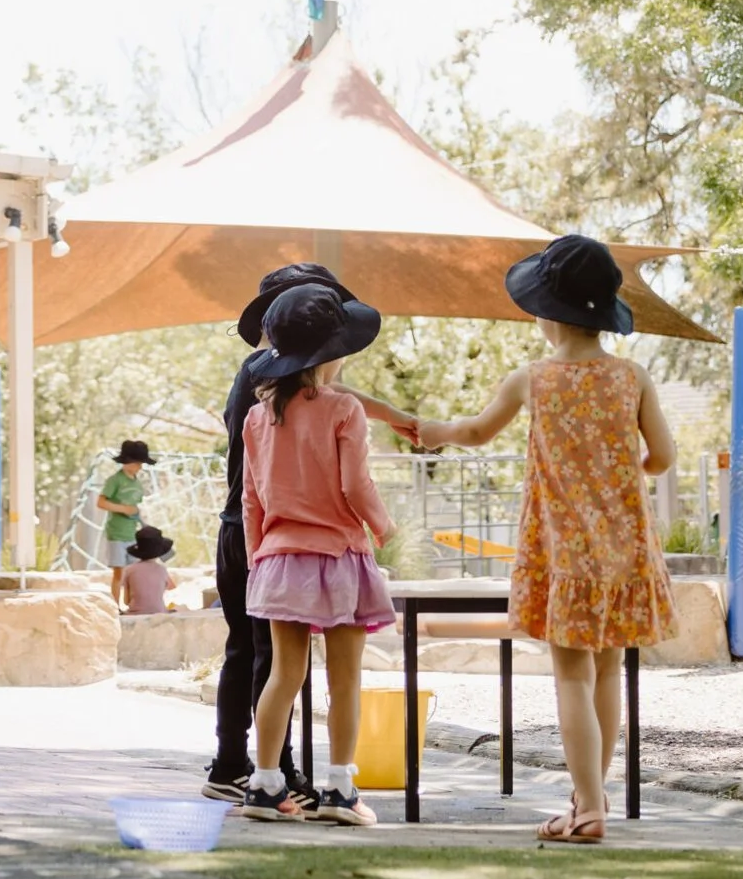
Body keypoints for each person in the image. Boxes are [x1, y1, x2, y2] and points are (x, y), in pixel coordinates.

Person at [418, 236, 677, 843]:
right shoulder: (632, 377)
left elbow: (477, 431)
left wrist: (435, 431)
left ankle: (587, 808)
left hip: (562, 548)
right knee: (608, 672)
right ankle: (592, 798)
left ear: (545, 312)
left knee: (571, 678)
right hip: (623, 547)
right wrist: (622, 477)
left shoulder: (533, 379)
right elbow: (662, 457)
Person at [206, 264, 417, 805]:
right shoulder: (336, 406)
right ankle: (337, 785)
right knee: (337, 677)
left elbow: (254, 493)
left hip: (271, 550)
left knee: (275, 669)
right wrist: (385, 527)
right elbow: (354, 479)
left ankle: (261, 778)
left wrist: (260, 554)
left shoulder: (261, 405)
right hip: (333, 552)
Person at [96, 440, 152, 607]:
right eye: (136, 462)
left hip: (132, 533)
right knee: (119, 572)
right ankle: (115, 605)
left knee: (132, 572)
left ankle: (131, 604)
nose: (138, 466)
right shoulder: (115, 480)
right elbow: (101, 503)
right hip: (117, 533)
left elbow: (136, 506)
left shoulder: (137, 483)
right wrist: (123, 509)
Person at [120, 524, 174, 615]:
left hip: (135, 613)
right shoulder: (162, 570)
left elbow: (126, 601)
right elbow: (167, 590)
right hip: (159, 612)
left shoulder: (129, 570)